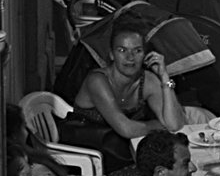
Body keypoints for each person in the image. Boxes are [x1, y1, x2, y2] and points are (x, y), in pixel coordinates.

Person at [70, 23, 182, 166]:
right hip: (89, 155)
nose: (130, 57)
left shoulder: (148, 80)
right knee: (160, 175)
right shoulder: (97, 80)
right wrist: (160, 125)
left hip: (123, 153)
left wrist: (165, 77)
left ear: (145, 55)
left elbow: (175, 125)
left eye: (137, 51)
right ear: (111, 54)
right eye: (122, 50)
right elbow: (126, 129)